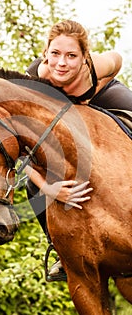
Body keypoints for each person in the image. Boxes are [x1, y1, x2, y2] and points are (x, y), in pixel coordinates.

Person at [25, 19, 132, 281]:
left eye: (72, 56)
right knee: (31, 184)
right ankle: (60, 252)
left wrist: (87, 97)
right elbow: (23, 148)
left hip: (102, 95)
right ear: (45, 55)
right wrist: (49, 188)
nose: (62, 63)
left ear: (84, 58)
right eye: (55, 54)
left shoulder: (96, 66)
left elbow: (117, 59)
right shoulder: (36, 78)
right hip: (62, 112)